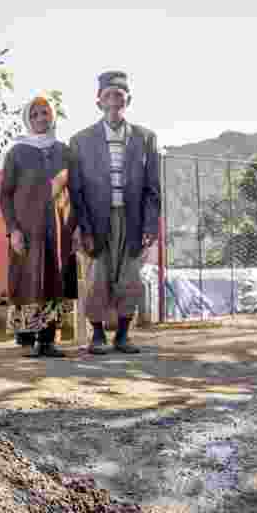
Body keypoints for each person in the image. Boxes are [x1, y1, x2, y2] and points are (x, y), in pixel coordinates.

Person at [68, 71, 160, 355]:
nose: (114, 99)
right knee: (98, 276)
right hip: (97, 220)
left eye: (120, 94)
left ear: (128, 100)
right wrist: (83, 227)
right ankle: (97, 334)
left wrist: (150, 225)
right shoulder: (81, 140)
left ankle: (123, 334)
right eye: (108, 94)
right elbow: (77, 190)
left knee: (130, 277)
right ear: (99, 101)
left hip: (131, 220)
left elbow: (152, 188)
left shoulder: (145, 138)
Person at [0, 93, 78, 357]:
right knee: (29, 280)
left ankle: (49, 341)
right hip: (27, 230)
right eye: (34, 114)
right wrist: (13, 229)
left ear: (53, 116)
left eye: (45, 112)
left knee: (55, 280)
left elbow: (75, 191)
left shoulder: (65, 152)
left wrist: (75, 227)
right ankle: (30, 339)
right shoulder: (17, 153)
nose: (40, 118)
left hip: (58, 230)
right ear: (27, 120)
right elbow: (5, 194)